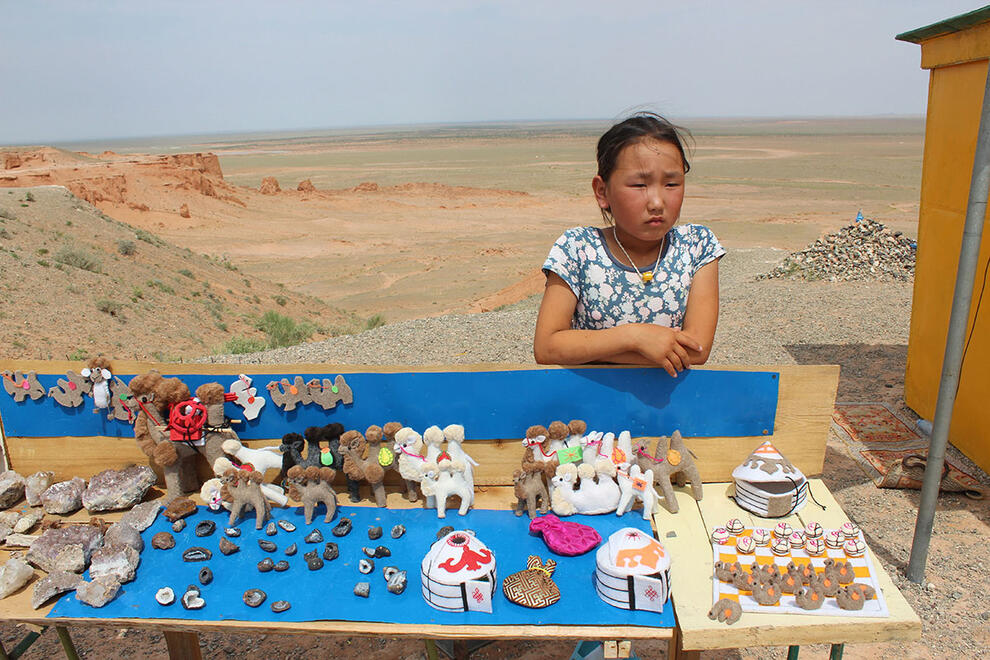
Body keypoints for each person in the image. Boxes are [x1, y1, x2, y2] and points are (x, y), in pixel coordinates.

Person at [533, 113, 724, 377]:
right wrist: (634, 337)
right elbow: (547, 347)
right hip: (590, 407)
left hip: (669, 409)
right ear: (602, 191)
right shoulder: (577, 249)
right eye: (639, 184)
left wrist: (590, 347)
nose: (657, 202)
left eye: (671, 184)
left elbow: (697, 349)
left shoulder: (696, 247)